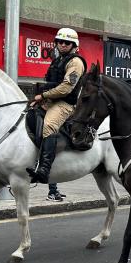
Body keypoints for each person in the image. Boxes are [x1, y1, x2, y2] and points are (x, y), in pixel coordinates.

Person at [26, 28, 87, 184]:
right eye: (60, 41)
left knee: (49, 126)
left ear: (74, 45)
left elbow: (66, 88)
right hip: (51, 101)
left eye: (67, 42)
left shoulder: (75, 62)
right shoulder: (58, 60)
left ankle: (44, 170)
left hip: (66, 103)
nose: (63, 44)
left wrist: (43, 96)